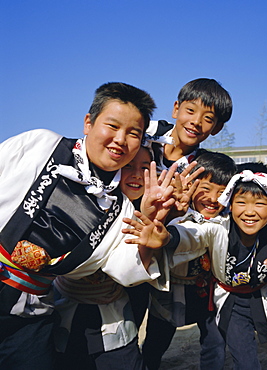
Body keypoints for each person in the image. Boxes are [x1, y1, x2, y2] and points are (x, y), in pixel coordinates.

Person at [0, 82, 163, 369]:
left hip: (30, 318)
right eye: (112, 126)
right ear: (88, 123)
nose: (120, 140)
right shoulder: (42, 145)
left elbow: (124, 270)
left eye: (133, 133)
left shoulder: (121, 208)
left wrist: (150, 231)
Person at [124, 162, 267, 370]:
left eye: (259, 204)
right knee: (245, 362)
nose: (249, 212)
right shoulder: (218, 228)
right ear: (230, 204)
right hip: (232, 305)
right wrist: (167, 237)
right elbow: (193, 235)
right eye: (241, 202)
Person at [142, 150, 236, 370]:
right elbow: (177, 234)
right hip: (169, 292)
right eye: (205, 189)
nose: (213, 199)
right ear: (190, 185)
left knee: (215, 339)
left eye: (222, 193)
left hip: (207, 292)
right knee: (157, 339)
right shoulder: (176, 212)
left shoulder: (226, 221)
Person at [146, 78, 233, 173]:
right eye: (191, 110)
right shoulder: (146, 131)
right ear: (176, 110)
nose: (196, 122)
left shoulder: (201, 169)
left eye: (208, 118)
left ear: (217, 128)